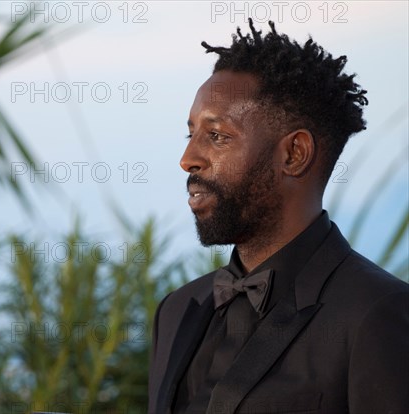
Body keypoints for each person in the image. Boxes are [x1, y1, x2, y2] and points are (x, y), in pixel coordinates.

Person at [148, 19, 409, 414]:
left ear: (294, 154)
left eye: (217, 136)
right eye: (192, 134)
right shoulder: (177, 310)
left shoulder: (376, 314)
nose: (188, 159)